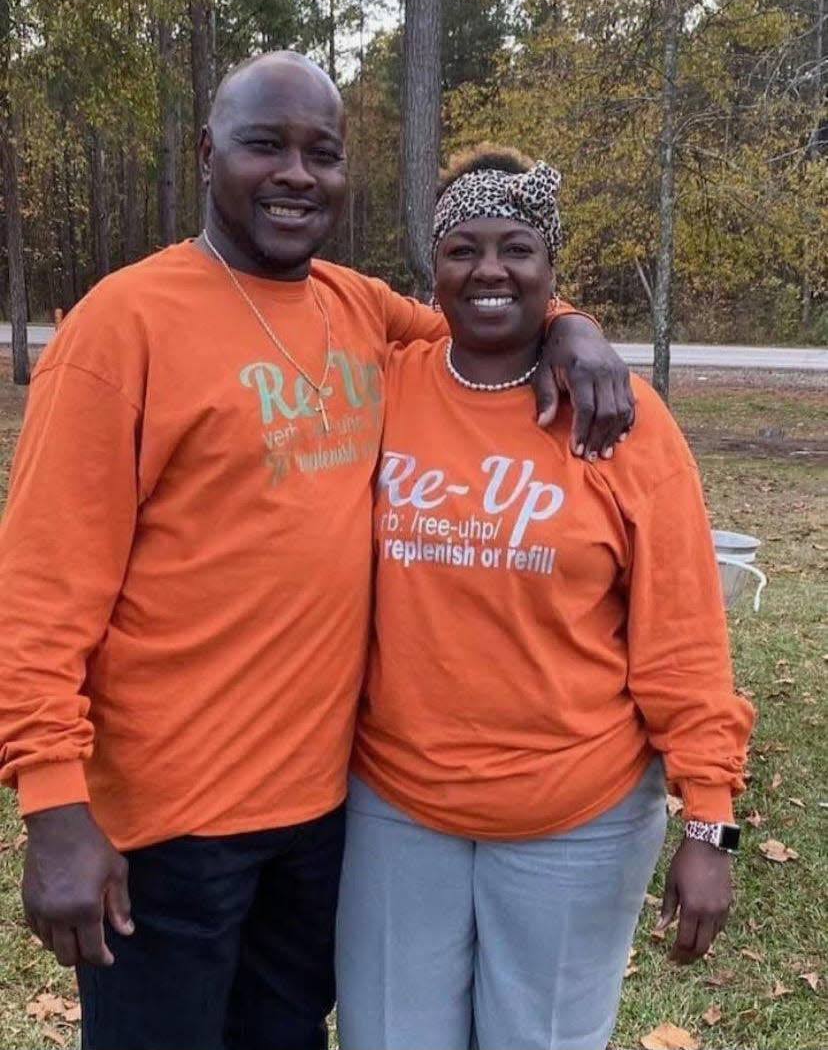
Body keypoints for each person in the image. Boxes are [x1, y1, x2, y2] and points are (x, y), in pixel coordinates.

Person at [0, 56, 633, 1050]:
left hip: (325, 812)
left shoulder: (356, 308)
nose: (298, 173)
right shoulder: (120, 327)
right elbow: (39, 591)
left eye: (323, 153)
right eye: (266, 146)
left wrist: (572, 326)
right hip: (170, 825)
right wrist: (52, 805)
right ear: (208, 154)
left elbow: (486, 316)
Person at [335, 147, 755, 1050]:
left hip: (579, 815)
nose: (489, 270)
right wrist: (570, 326)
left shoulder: (619, 420)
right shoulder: (384, 383)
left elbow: (682, 633)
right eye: (463, 248)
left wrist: (710, 819)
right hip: (398, 804)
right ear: (433, 268)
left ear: (551, 269)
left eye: (517, 248)